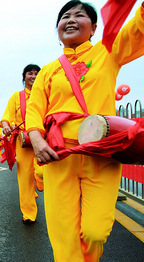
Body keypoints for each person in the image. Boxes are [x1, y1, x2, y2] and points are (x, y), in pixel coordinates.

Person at [26, 1, 144, 260]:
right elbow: (34, 110)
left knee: (95, 232)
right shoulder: (48, 71)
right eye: (65, 16)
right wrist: (36, 139)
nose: (70, 19)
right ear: (57, 29)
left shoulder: (108, 51)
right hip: (60, 156)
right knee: (63, 235)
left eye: (79, 15)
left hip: (102, 154)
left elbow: (138, 29)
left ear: (93, 28)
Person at [1, 64, 44, 224]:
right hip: (23, 141)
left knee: (41, 173)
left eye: (36, 73)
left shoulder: (46, 94)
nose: (33, 76)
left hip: (43, 139)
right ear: (24, 77)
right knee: (25, 178)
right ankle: (29, 214)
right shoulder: (16, 97)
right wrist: (6, 126)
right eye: (29, 73)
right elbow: (6, 117)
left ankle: (38, 180)